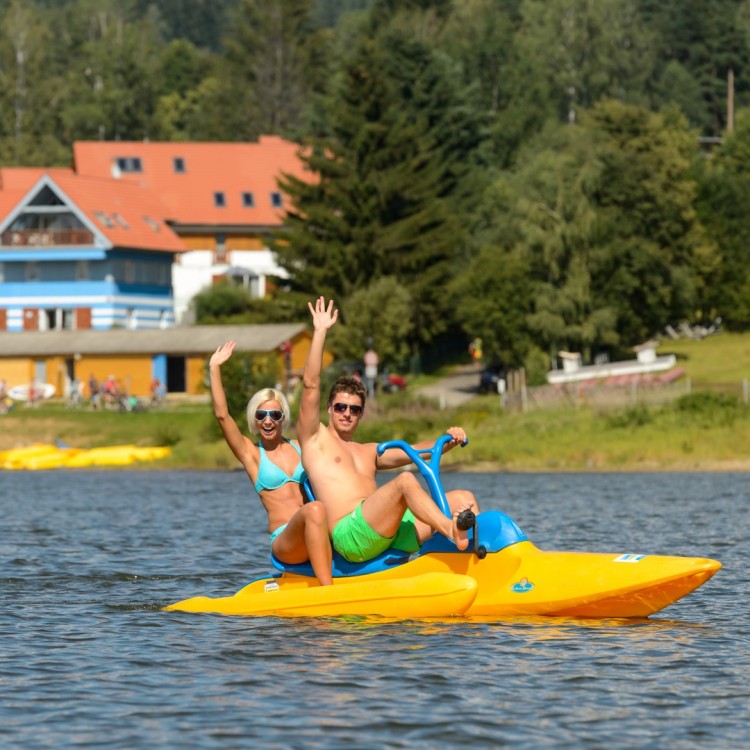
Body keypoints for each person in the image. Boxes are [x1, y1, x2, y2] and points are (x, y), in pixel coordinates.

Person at [297, 297, 479, 565]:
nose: (347, 413)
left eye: (355, 409)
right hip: (353, 537)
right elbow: (310, 384)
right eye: (341, 407)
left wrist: (450, 439)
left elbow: (420, 451)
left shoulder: (370, 451)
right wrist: (320, 332)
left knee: (465, 498)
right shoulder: (315, 440)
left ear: (361, 414)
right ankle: (452, 531)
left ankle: (478, 565)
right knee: (404, 482)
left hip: (387, 530)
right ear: (329, 408)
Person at [209, 340, 332, 586]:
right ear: (254, 419)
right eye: (261, 415)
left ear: (282, 418)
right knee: (315, 509)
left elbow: (312, 388)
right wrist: (214, 368)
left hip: (316, 533)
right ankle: (329, 592)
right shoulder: (251, 455)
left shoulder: (300, 446)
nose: (268, 421)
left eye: (275, 415)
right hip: (285, 543)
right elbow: (222, 416)